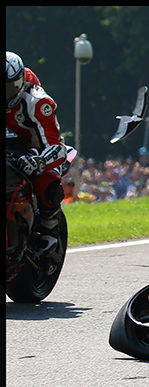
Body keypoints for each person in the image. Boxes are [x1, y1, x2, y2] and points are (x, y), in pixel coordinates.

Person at [6, 51, 69, 251]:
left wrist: (39, 161)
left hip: (34, 148)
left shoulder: (38, 102)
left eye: (7, 88)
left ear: (19, 83)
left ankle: (50, 228)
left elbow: (56, 147)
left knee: (47, 179)